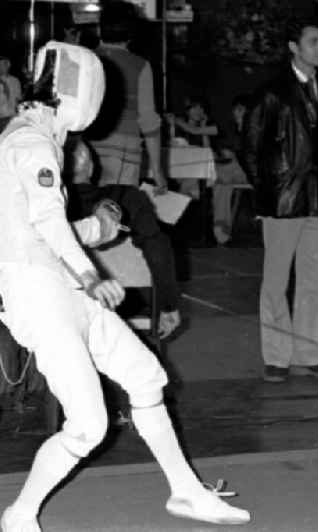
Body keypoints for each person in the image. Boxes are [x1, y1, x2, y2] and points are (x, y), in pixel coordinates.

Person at [0, 41, 249, 531]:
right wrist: (93, 277)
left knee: (145, 376)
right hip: (40, 296)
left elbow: (32, 227)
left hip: (57, 286)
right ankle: (19, 515)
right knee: (88, 425)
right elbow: (47, 224)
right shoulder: (31, 144)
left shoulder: (27, 140)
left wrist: (96, 230)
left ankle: (185, 492)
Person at [243, 17, 318, 383]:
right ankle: (277, 356)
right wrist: (268, 190)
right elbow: (250, 149)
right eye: (314, 41)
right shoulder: (271, 93)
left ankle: (312, 354)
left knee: (316, 282)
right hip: (283, 200)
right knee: (275, 282)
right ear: (294, 48)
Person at [63, 136, 182, 339]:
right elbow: (157, 247)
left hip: (62, 309)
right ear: (91, 168)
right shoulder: (129, 198)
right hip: (123, 304)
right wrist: (168, 304)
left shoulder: (43, 211)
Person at [85, 1, 168, 194]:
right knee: (118, 212)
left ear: (100, 28)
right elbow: (148, 121)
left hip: (85, 150)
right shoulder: (140, 66)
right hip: (124, 153)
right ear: (131, 34)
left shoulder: (86, 59)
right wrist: (157, 170)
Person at [210, 94, 252, 245]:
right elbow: (226, 148)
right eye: (235, 110)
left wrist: (235, 155)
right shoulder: (232, 130)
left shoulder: (258, 128)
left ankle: (206, 181)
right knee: (221, 185)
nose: (237, 113)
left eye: (241, 110)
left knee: (221, 173)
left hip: (253, 173)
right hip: (233, 172)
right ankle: (221, 230)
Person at [0, 56, 22, 122]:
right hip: (1, 117)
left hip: (14, 117)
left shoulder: (15, 81)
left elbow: (18, 99)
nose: (0, 67)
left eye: (3, 64)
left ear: (9, 64)